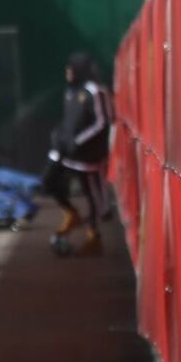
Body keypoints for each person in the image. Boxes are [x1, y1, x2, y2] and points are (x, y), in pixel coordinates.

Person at [43, 52, 114, 256]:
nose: (67, 73)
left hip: (87, 155)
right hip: (66, 152)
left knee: (90, 192)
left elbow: (102, 122)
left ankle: (94, 237)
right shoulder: (70, 92)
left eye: (70, 69)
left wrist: (78, 141)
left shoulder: (96, 92)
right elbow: (68, 121)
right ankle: (71, 214)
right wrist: (60, 137)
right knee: (48, 181)